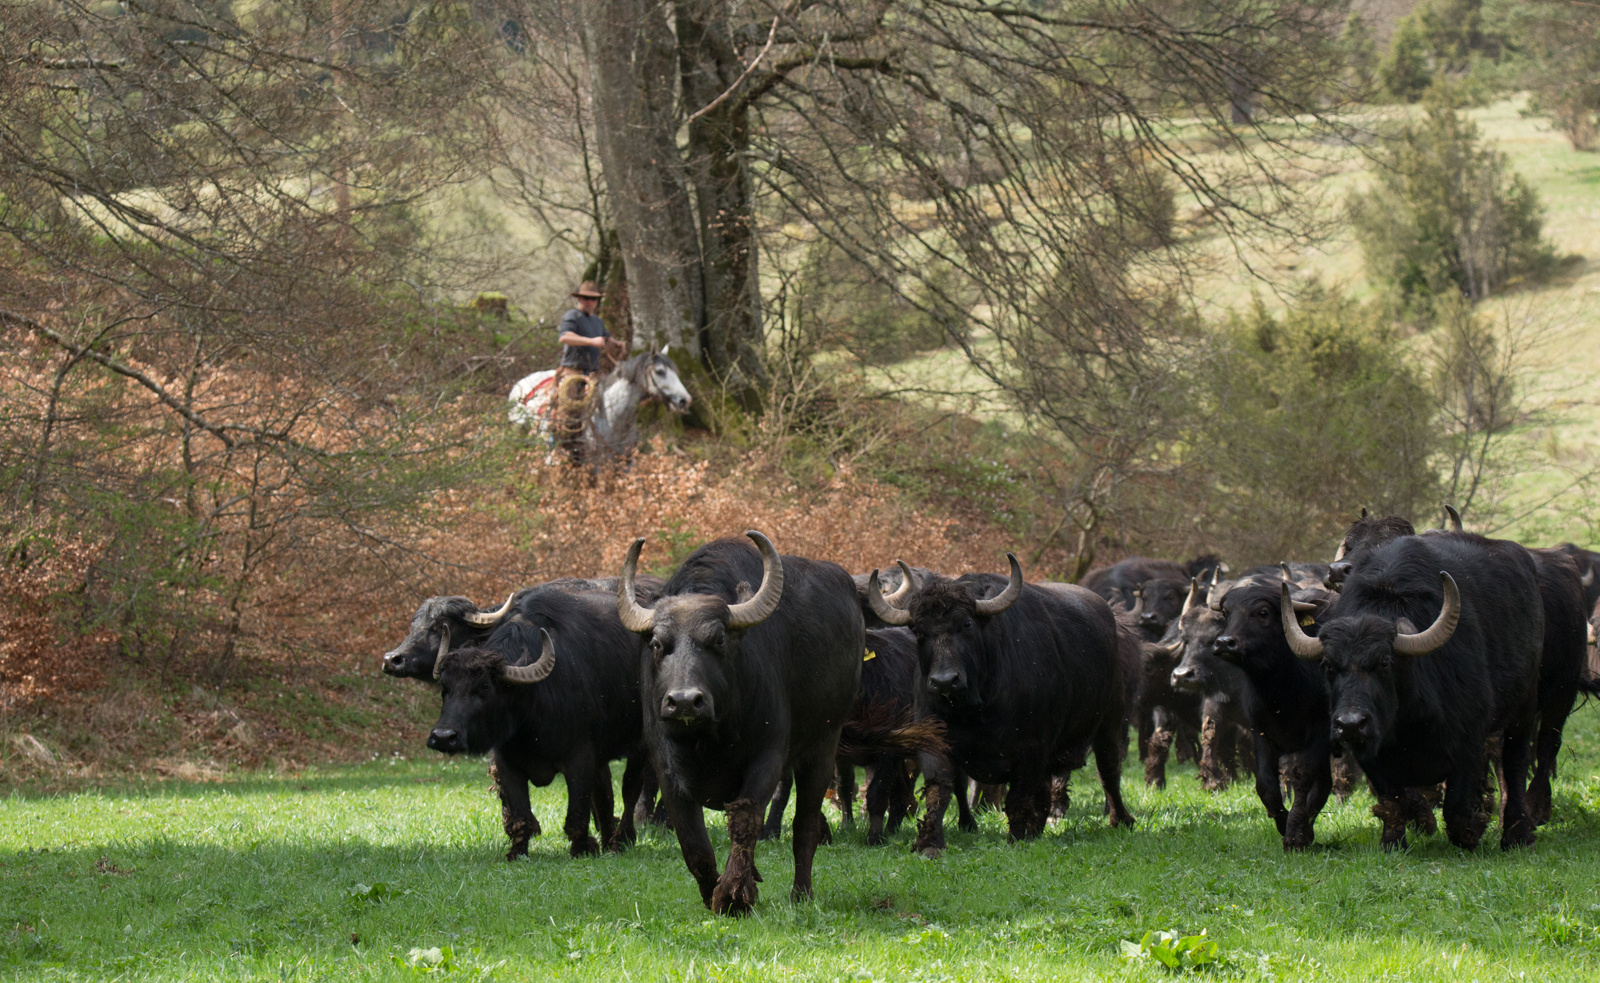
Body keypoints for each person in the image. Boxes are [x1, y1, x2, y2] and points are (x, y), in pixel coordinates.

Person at [550, 280, 621, 458]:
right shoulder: (572, 316)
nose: (589, 302)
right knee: (569, 405)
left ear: (597, 301)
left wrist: (616, 344)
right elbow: (565, 337)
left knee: (610, 402)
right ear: (579, 298)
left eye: (593, 299)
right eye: (585, 298)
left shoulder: (597, 321)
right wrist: (590, 341)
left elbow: (607, 339)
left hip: (593, 372)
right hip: (573, 370)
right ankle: (559, 444)